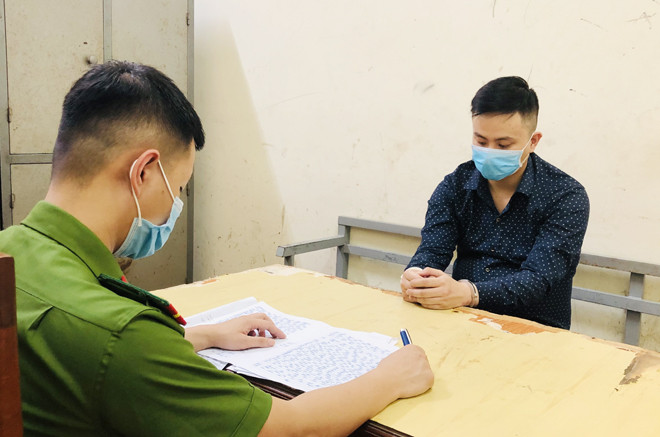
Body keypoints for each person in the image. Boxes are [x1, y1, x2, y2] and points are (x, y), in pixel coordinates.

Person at [0, 61, 433, 436]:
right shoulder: (123, 334)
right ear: (144, 173)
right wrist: (389, 379)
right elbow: (288, 428)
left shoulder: (10, 250)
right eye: (179, 187)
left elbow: (83, 355)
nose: (176, 204)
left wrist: (203, 334)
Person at [401, 76, 589, 329]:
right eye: (481, 141)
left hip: (535, 330)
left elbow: (538, 279)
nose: (489, 152)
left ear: (533, 142)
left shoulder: (565, 196)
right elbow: (432, 251)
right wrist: (417, 275)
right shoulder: (455, 186)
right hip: (462, 319)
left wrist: (469, 293)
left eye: (503, 145)